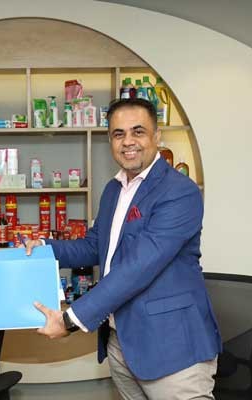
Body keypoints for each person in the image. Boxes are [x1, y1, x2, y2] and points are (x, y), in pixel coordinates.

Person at [27, 98, 222, 400]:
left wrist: (70, 320)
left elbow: (138, 267)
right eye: (118, 134)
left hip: (172, 346)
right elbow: (96, 245)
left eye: (138, 131)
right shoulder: (114, 189)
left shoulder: (179, 192)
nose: (128, 141)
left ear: (157, 136)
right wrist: (43, 248)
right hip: (122, 342)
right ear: (110, 141)